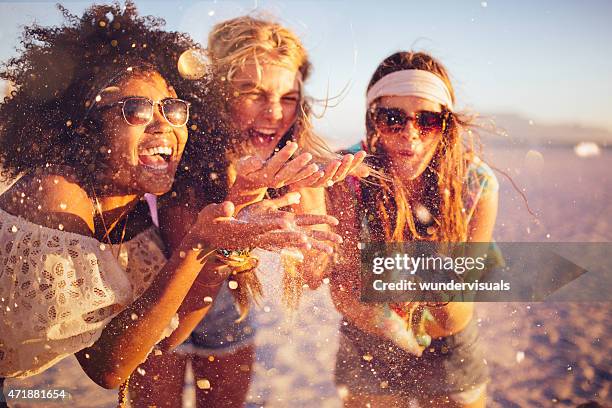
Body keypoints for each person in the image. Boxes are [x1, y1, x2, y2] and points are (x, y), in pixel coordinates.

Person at [0, 3, 337, 402]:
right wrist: (205, 241)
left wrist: (222, 238)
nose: (164, 124)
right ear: (87, 123)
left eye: (173, 108)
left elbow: (164, 330)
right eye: (137, 109)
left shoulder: (132, 206)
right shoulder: (55, 195)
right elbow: (108, 366)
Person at [130, 16, 367, 408]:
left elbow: (310, 274)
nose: (274, 113)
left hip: (227, 308)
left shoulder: (289, 157)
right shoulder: (183, 151)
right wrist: (243, 205)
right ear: (217, 94)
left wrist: (315, 222)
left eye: (288, 98)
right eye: (252, 93)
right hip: (155, 300)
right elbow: (187, 260)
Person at [328, 51, 499, 407]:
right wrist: (394, 326)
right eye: (393, 118)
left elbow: (455, 317)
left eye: (428, 120)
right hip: (368, 331)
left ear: (447, 124)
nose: (411, 134)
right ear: (373, 121)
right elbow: (344, 291)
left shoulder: (476, 184)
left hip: (447, 341)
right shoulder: (348, 175)